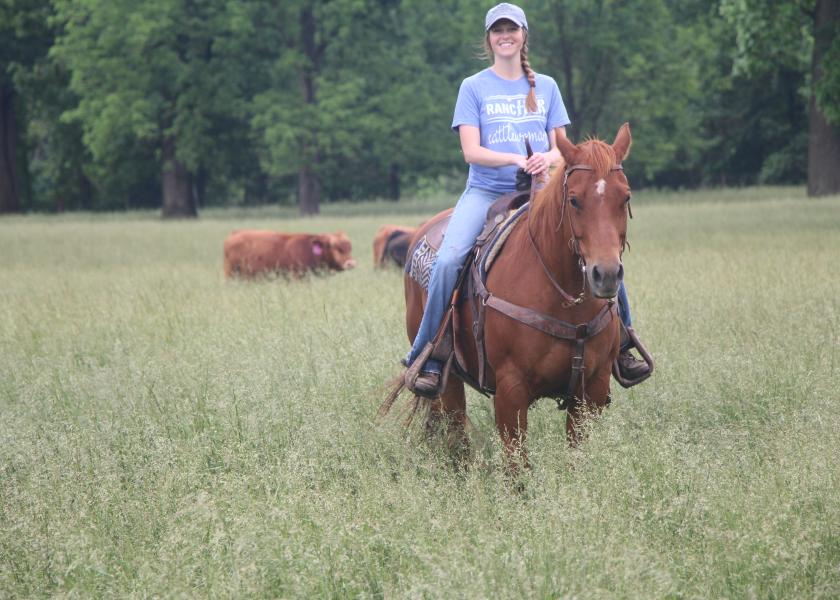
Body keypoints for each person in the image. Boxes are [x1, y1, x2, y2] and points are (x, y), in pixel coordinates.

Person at [405, 2, 649, 397]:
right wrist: (515, 157)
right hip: (486, 192)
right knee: (448, 260)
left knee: (602, 254)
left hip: (542, 192)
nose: (505, 36)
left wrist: (545, 159)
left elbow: (565, 150)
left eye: (512, 30)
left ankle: (621, 346)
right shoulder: (473, 87)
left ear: (523, 36)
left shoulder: (547, 86)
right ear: (489, 39)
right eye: (498, 30)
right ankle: (428, 354)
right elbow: (470, 150)